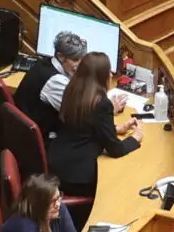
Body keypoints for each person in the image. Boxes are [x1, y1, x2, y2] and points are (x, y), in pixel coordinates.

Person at [47, 52, 143, 200]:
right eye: (108, 71)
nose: (111, 75)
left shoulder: (71, 90)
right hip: (77, 176)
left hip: (57, 163)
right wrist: (135, 138)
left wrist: (117, 128)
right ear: (101, 77)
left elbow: (84, 128)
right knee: (127, 176)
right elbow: (115, 149)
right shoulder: (102, 104)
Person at [14, 31, 87, 139]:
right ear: (60, 56)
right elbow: (80, 118)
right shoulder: (55, 81)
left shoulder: (44, 63)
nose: (80, 65)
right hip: (40, 139)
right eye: (75, 59)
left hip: (24, 131)